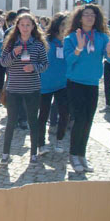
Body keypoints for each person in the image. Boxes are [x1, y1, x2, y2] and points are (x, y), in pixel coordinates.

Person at [64, 4, 110, 173]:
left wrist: (109, 52)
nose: (89, 17)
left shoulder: (102, 37)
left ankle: (82, 154)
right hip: (75, 84)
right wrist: (79, 48)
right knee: (79, 120)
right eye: (86, 14)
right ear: (80, 18)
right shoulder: (71, 37)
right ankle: (73, 154)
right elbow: (68, 61)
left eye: (92, 15)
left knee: (88, 121)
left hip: (92, 84)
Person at [0, 13, 48, 166]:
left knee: (33, 121)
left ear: (33, 27)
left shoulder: (38, 45)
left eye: (28, 25)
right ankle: (5, 154)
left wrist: (34, 67)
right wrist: (14, 53)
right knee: (11, 122)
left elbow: (45, 64)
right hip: (13, 88)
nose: (25, 28)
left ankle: (33, 154)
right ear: (17, 26)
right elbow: (3, 63)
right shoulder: (11, 43)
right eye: (22, 25)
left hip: (32, 89)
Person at [37, 12, 69, 155]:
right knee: (43, 115)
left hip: (63, 84)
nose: (65, 27)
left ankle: (60, 140)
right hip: (45, 84)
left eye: (67, 24)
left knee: (64, 114)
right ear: (57, 25)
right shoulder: (46, 41)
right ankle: (41, 144)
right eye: (63, 24)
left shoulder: (71, 41)